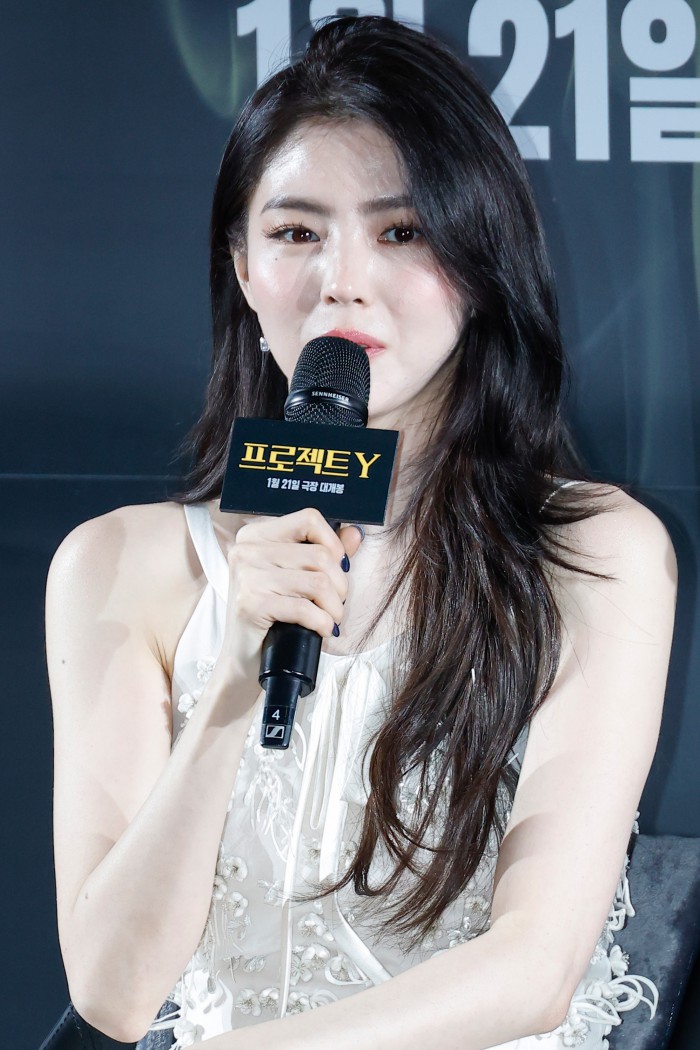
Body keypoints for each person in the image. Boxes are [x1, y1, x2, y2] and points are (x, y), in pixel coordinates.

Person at [46, 15, 676, 1050]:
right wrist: (235, 675)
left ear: (478, 259)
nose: (342, 280)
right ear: (243, 269)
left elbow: (536, 967)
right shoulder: (121, 566)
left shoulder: (592, 555)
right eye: (297, 234)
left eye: (401, 232)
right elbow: (113, 993)